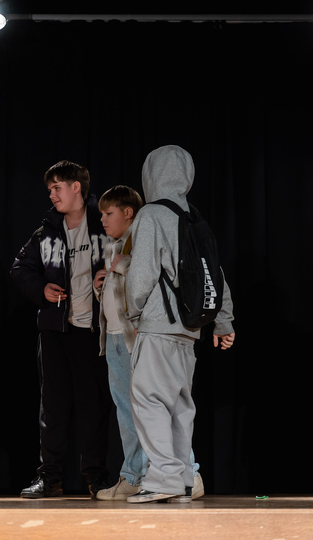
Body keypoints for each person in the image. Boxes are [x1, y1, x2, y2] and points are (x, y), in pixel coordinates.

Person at [124, 145, 235, 504]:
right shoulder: (195, 218)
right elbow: (215, 275)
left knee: (148, 400)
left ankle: (164, 479)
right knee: (180, 406)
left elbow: (141, 275)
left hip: (159, 325)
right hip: (189, 329)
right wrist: (223, 322)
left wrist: (133, 314)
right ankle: (183, 479)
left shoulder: (152, 214)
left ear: (151, 174)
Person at [93, 185, 205, 501]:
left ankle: (189, 473)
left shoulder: (147, 232)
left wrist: (122, 266)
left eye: (109, 213)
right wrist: (101, 286)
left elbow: (155, 276)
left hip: (142, 336)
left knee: (160, 407)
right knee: (128, 412)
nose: (102, 219)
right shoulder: (113, 246)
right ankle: (135, 475)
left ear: (128, 212)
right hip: (115, 337)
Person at [10, 160, 113, 498]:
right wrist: (41, 289)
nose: (52, 195)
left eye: (57, 188)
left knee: (93, 407)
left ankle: (96, 477)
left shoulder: (103, 223)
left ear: (76, 187)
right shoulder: (47, 231)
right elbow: (20, 268)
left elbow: (130, 255)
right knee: (53, 408)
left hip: (93, 331)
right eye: (50, 189)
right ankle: (50, 477)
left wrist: (113, 275)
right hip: (55, 331)